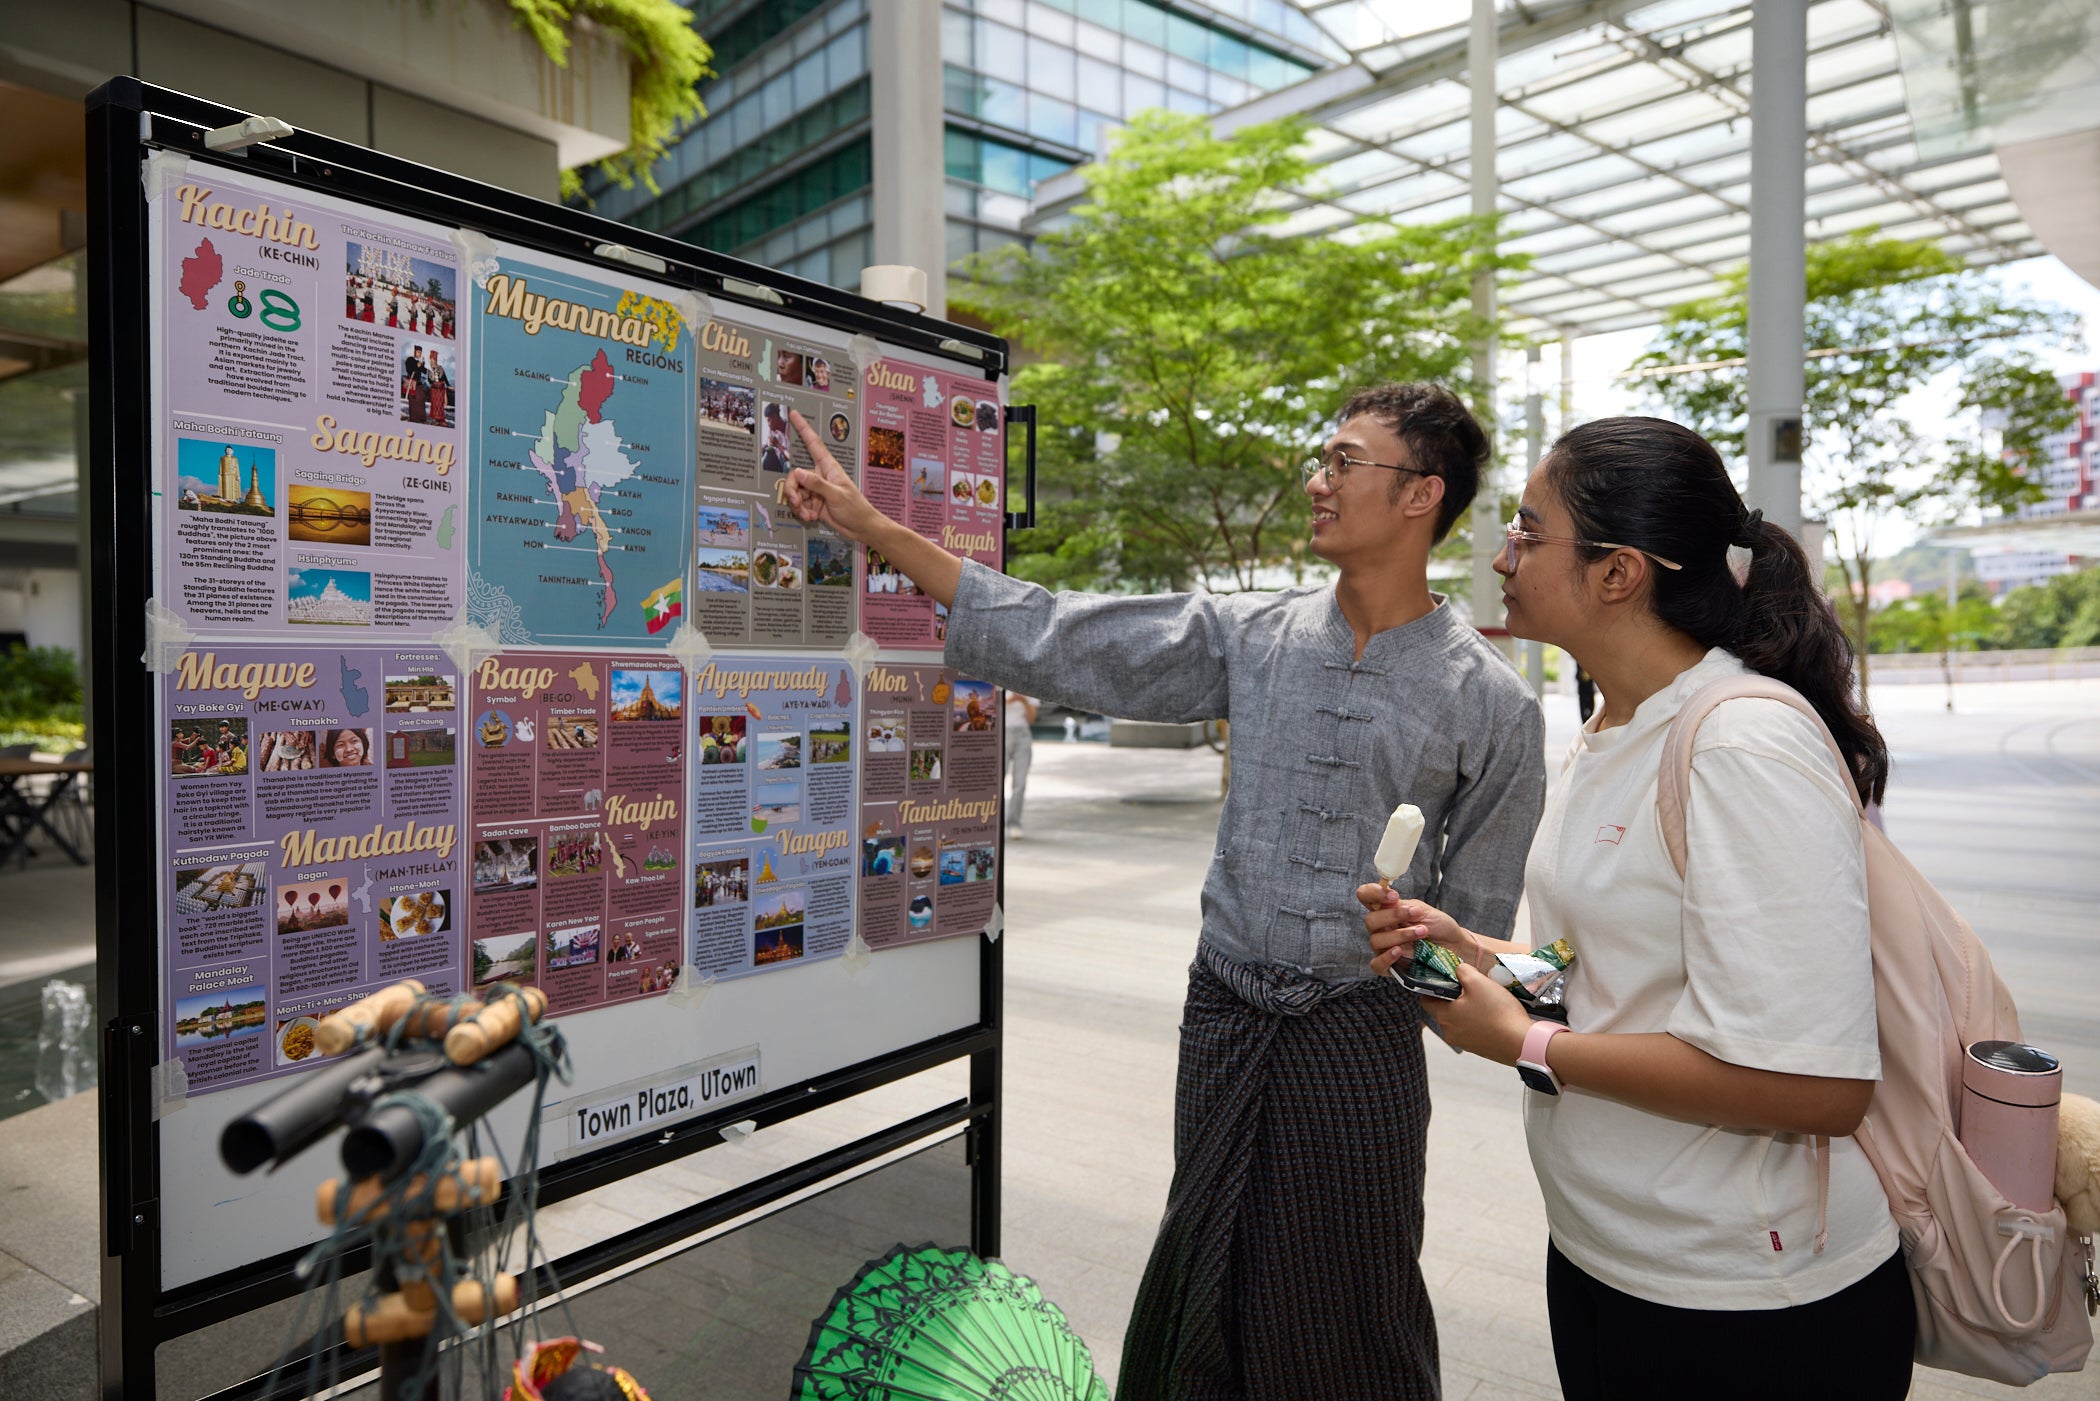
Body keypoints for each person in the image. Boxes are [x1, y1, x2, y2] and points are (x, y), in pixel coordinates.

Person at [781, 385, 1545, 1400]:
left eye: (1343, 461)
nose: (1317, 482)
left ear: (1421, 495)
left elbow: (1475, 944)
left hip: (1361, 1040)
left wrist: (1428, 953)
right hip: (1224, 1014)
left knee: (1352, 1285)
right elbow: (1062, 633)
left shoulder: (1493, 706)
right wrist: (871, 525)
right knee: (1205, 1267)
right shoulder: (1252, 634)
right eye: (1320, 460)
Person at [1360, 416, 1907, 1401]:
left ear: (1619, 573)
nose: (1501, 555)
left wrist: (1525, 1045)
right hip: (1609, 1258)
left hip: (1746, 1305)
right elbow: (1618, 972)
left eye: (1529, 531)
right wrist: (1480, 956)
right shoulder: (1613, 724)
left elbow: (1816, 1086)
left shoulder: (1742, 745)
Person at [1004, 691, 1037, 838]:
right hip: (1002, 732)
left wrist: (1023, 700)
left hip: (1022, 734)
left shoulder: (1029, 688)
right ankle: (992, 822)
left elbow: (1031, 718)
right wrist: (1011, 699)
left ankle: (1014, 823)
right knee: (996, 782)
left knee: (1020, 783)